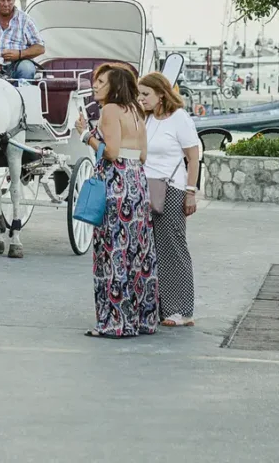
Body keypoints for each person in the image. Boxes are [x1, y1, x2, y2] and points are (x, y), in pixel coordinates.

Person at [75, 63, 158, 338]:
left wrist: (86, 135)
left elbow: (110, 152)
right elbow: (143, 155)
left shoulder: (110, 110)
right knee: (137, 251)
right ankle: (142, 318)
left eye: (101, 82)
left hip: (116, 183)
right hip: (137, 182)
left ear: (115, 85)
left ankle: (115, 322)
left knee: (113, 250)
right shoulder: (136, 110)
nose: (95, 86)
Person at [138, 72, 201, 327]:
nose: (141, 99)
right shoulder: (147, 119)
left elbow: (193, 158)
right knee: (150, 250)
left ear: (161, 95)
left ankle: (182, 310)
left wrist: (190, 192)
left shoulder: (179, 118)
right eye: (139, 94)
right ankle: (161, 306)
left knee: (173, 248)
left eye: (146, 94)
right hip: (146, 188)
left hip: (172, 189)